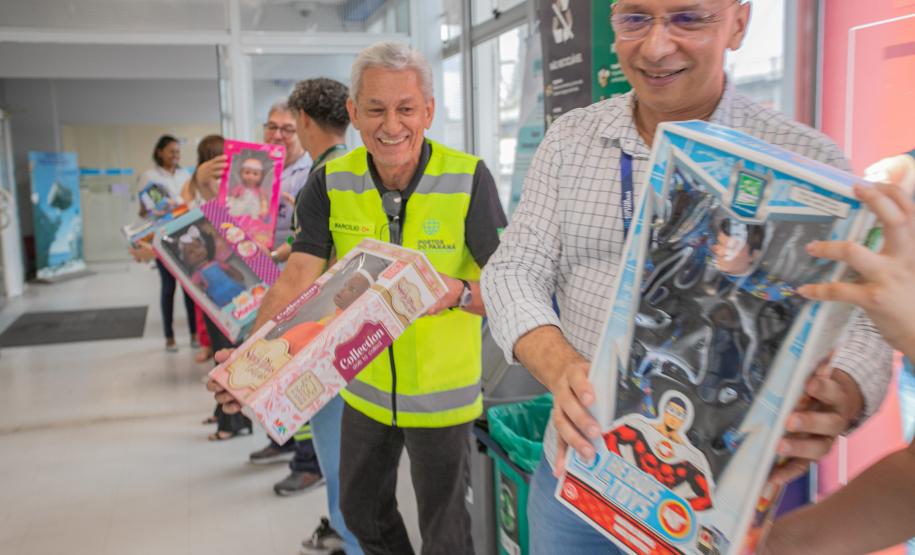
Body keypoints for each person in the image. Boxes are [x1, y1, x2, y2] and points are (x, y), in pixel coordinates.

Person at [480, 1, 894, 553]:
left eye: (688, 18)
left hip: (709, 495)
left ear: (739, 24)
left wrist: (840, 391)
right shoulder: (570, 142)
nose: (655, 46)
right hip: (580, 471)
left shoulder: (805, 160)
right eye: (635, 18)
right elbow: (514, 269)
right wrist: (561, 368)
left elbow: (863, 319)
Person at [210, 43, 507, 555]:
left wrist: (455, 293)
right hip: (362, 387)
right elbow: (297, 278)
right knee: (360, 512)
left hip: (444, 398)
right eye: (375, 109)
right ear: (353, 112)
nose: (391, 125)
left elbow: (507, 290)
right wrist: (250, 366)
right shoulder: (330, 181)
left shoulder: (468, 178)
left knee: (446, 534)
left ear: (428, 112)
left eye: (406, 108)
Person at [241, 102, 323, 501]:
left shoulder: (313, 175)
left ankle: (308, 463)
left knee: (295, 371)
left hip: (296, 282)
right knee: (266, 369)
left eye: (287, 129)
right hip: (257, 280)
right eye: (271, 127)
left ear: (302, 130)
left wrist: (292, 231)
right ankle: (283, 437)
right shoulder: (253, 173)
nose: (277, 135)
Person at [136, 134, 196, 352]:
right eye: (171, 151)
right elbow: (143, 212)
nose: (175, 155)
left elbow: (191, 203)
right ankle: (169, 337)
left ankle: (194, 334)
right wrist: (151, 207)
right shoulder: (148, 177)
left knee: (190, 289)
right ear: (159, 151)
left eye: (178, 152)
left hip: (185, 237)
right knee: (168, 288)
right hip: (162, 237)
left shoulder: (185, 175)